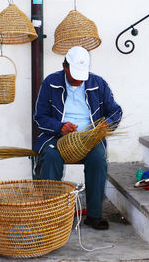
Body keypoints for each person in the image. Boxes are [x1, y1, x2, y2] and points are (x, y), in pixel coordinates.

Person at [33, 46, 122, 230]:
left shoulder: (98, 83)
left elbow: (116, 111)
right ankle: (52, 215)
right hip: (56, 136)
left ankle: (94, 215)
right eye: (74, 74)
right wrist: (59, 126)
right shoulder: (50, 83)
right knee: (50, 158)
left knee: (98, 159)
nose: (78, 79)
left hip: (89, 138)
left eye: (82, 75)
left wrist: (107, 123)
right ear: (64, 67)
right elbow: (39, 117)